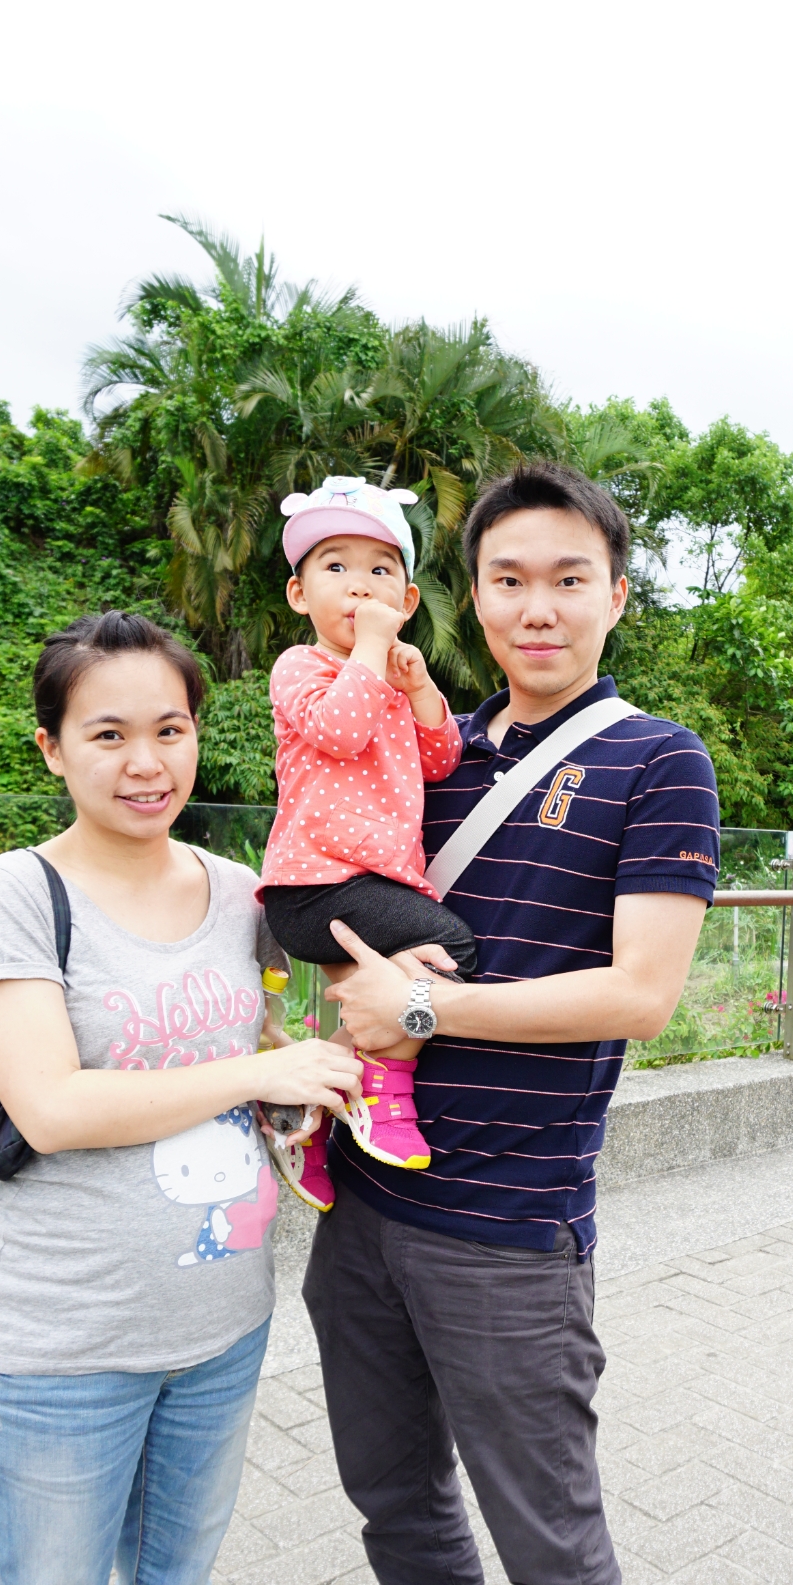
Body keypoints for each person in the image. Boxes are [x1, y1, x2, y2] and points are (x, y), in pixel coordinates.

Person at [298, 463, 721, 1585]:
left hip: (513, 1230)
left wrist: (425, 1007)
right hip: (364, 1202)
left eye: (567, 578)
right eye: (507, 579)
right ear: (467, 597)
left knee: (555, 1545)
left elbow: (639, 993)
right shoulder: (429, 746)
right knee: (393, 1492)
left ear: (616, 593)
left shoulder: (658, 761)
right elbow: (330, 881)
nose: (537, 607)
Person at [0, 611, 362, 1585]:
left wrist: (289, 1098)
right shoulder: (16, 893)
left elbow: (255, 1055)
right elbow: (53, 1107)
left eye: (171, 729)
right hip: (61, 1341)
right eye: (109, 733)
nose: (145, 761)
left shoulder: (242, 892)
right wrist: (255, 1073)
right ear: (52, 747)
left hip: (218, 1323)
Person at [257, 476, 477, 1204]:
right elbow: (339, 730)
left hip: (367, 890)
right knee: (450, 951)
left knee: (419, 974)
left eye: (380, 570)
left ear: (407, 600)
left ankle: (308, 1107)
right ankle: (382, 1091)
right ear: (300, 595)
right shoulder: (302, 667)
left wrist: (419, 691)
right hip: (313, 887)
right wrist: (373, 651)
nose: (359, 585)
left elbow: (442, 760)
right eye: (336, 567)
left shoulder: (390, 682)